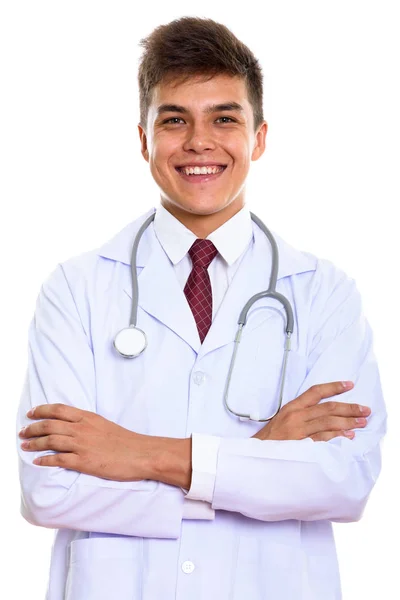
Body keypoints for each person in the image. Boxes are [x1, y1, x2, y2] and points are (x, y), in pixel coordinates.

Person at [16, 16, 387, 600]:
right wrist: (259, 462)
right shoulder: (76, 289)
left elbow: (343, 482)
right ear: (143, 140)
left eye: (224, 118)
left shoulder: (324, 293)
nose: (199, 142)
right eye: (174, 120)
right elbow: (50, 492)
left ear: (259, 137)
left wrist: (137, 453)